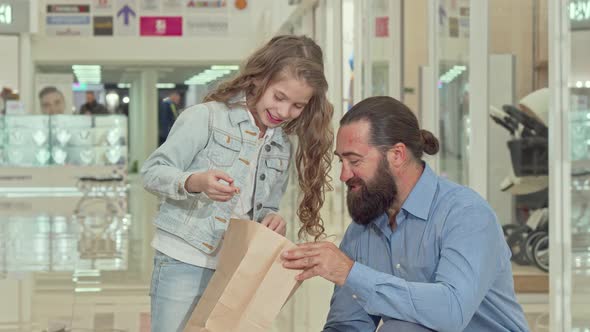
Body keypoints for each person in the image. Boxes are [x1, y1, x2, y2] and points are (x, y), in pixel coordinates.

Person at [282, 96, 529, 332]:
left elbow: (452, 311)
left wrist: (350, 273)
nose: (344, 175)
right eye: (341, 162)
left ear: (397, 155)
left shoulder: (466, 214)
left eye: (354, 161)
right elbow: (349, 325)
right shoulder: (362, 231)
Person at [140, 35, 334, 331]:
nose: (283, 112)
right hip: (183, 259)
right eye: (279, 97)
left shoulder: (281, 145)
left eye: (297, 105)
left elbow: (268, 203)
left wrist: (272, 218)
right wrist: (195, 181)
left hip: (238, 264)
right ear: (258, 78)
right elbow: (153, 171)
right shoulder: (206, 118)